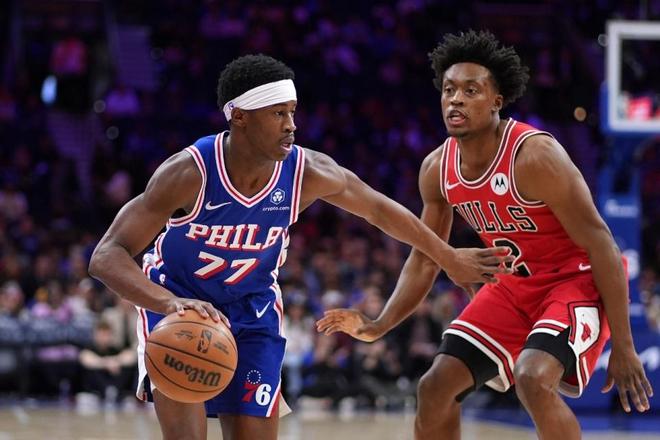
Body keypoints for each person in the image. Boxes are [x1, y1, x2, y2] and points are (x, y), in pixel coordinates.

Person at [88, 54, 512, 440]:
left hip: (252, 309)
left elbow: (380, 210)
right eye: (278, 113)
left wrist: (448, 256)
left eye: (292, 112)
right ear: (240, 117)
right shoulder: (189, 172)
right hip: (180, 307)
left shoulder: (307, 171)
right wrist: (169, 303)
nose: (291, 125)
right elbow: (107, 255)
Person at [316, 31, 654, 440]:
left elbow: (603, 244)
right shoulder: (437, 169)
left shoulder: (535, 156)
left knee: (532, 377)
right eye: (449, 90)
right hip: (512, 287)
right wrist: (378, 324)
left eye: (471, 90)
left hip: (573, 282)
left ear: (497, 100)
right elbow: (426, 257)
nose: (455, 99)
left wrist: (625, 345)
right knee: (434, 386)